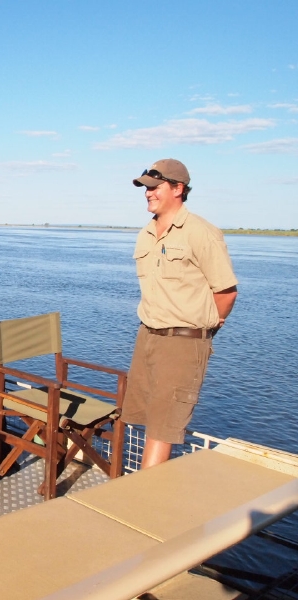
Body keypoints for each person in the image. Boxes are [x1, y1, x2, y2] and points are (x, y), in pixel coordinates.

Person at [124, 159, 238, 468]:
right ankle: (145, 488)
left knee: (163, 427)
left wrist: (205, 328)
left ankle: (145, 495)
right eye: (146, 188)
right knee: (146, 418)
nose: (148, 193)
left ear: (178, 189)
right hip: (148, 336)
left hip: (183, 342)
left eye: (155, 187)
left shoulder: (201, 232)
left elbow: (226, 292)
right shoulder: (147, 233)